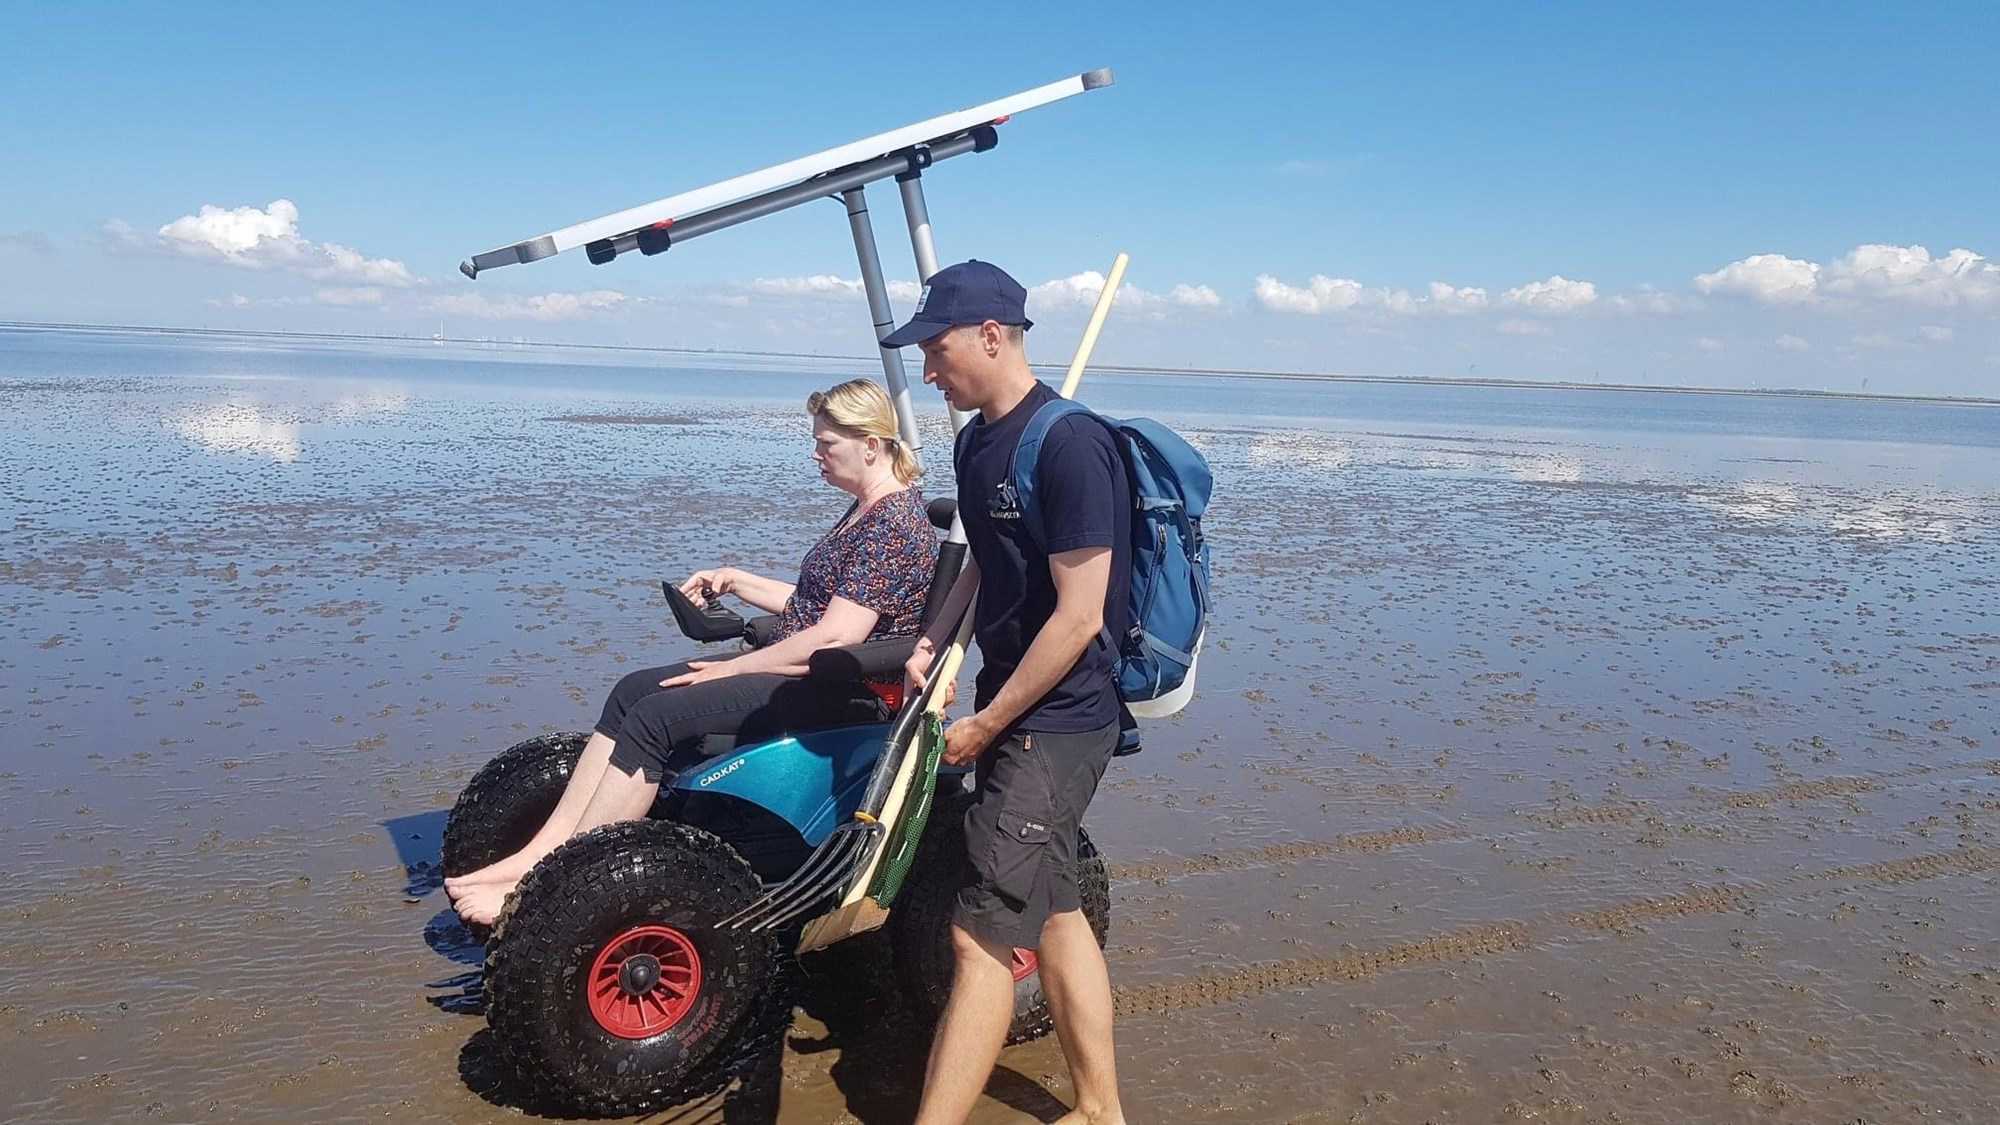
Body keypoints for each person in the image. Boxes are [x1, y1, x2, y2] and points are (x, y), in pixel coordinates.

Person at [447, 378, 939, 927]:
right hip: (810, 669)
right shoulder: (866, 510)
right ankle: (541, 858)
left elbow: (833, 637)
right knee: (633, 691)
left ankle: (558, 886)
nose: (815, 454)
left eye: (826, 444)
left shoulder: (894, 525)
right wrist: (735, 579)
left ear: (870, 444)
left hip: (841, 688)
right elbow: (814, 607)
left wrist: (731, 668)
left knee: (658, 717)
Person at [892, 261, 1130, 1125]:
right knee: (1058, 912)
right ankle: (1100, 1109)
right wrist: (932, 640)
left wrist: (988, 724)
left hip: (1057, 723)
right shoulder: (974, 442)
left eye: (937, 349)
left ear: (992, 337)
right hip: (1011, 707)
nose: (928, 370)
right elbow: (986, 565)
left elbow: (1079, 616)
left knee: (980, 934)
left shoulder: (1072, 445)